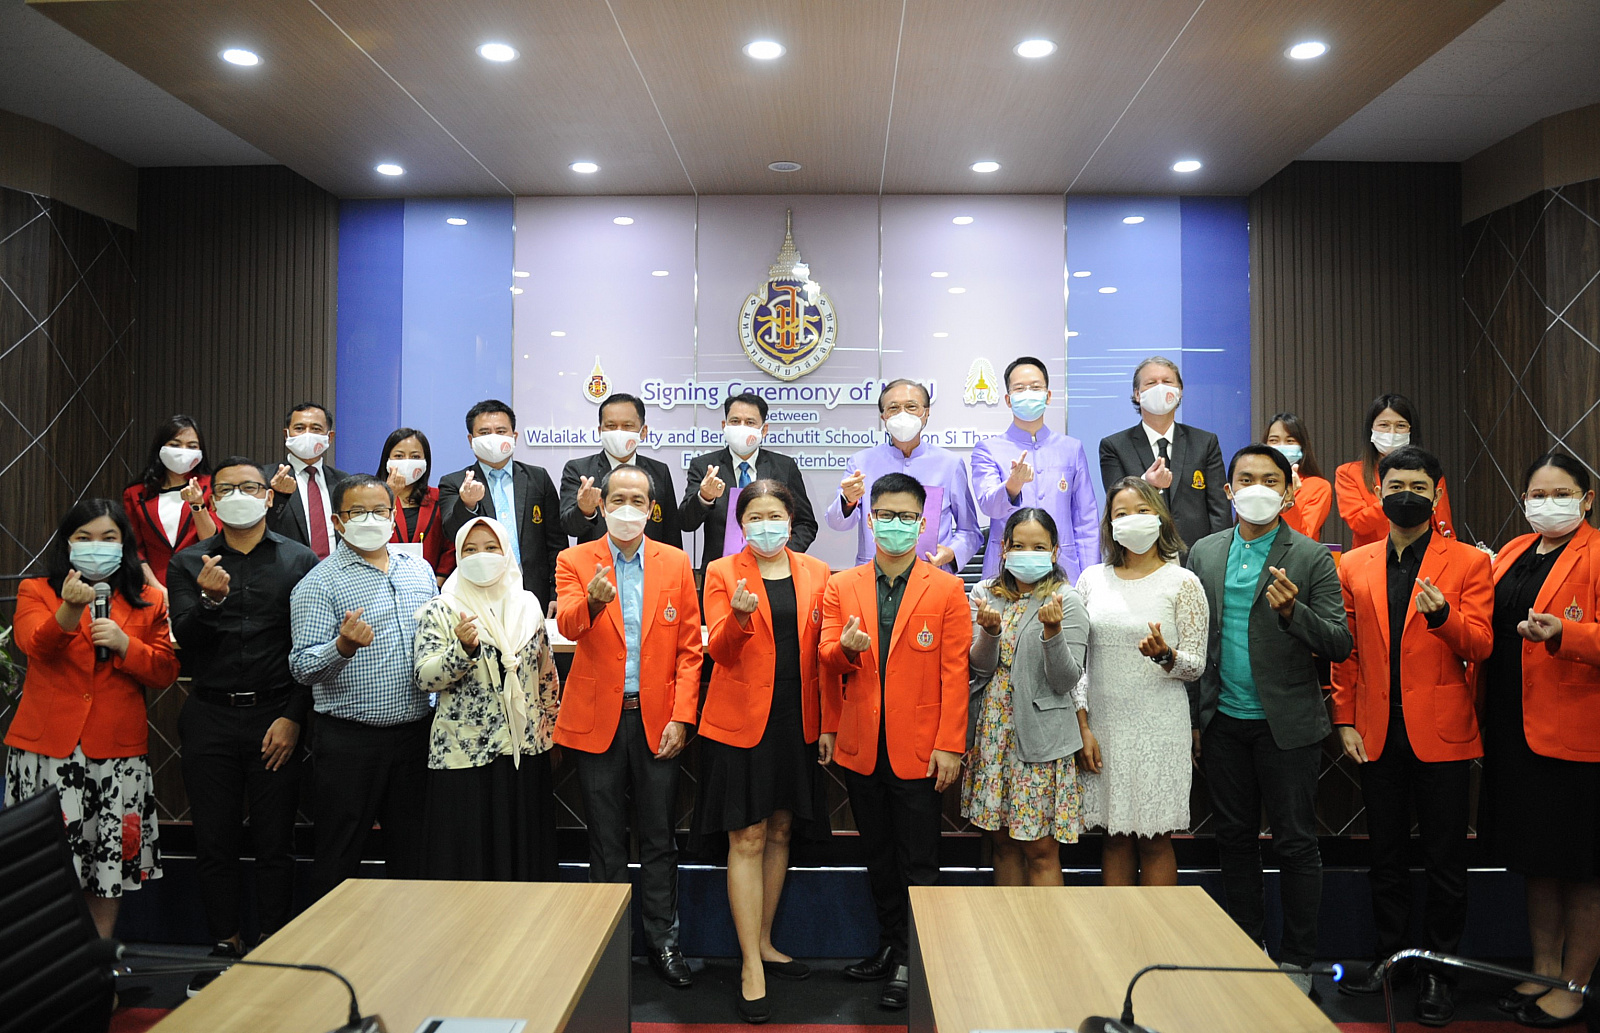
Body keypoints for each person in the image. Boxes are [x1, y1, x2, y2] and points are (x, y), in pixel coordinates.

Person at [1330, 446, 1493, 1023]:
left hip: (1442, 733)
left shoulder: (1469, 562)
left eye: (1419, 487)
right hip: (1376, 731)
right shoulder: (1354, 563)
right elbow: (1346, 653)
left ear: (1437, 493)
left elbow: (1481, 644)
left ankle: (1439, 975)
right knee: (1387, 857)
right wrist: (1344, 717)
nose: (1407, 495)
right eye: (1396, 485)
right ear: (1379, 491)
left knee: (1446, 860)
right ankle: (1390, 961)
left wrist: (1445, 617)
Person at [1187, 445, 1352, 992]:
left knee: (1296, 843)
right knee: (1234, 841)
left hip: (1287, 726)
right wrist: (1195, 718)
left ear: (1288, 492)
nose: (1256, 488)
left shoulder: (1311, 556)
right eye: (1245, 479)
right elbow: (1196, 639)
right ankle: (1247, 951)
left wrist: (1292, 612)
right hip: (1223, 722)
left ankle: (1298, 961)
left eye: (1270, 480)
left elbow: (1339, 642)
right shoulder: (1205, 552)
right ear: (1229, 490)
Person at [166, 458, 319, 993]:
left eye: (249, 487)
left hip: (276, 714)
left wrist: (293, 717)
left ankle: (275, 943)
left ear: (267, 496)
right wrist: (211, 601)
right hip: (209, 714)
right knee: (215, 840)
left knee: (276, 841)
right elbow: (187, 642)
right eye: (226, 488)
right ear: (210, 499)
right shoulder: (189, 561)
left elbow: (308, 647)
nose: (238, 495)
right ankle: (224, 943)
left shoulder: (299, 558)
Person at [820, 472, 971, 1010]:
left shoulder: (947, 588)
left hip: (922, 748)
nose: (896, 525)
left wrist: (950, 744)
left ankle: (915, 957)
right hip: (862, 743)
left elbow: (956, 674)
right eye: (886, 515)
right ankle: (889, 945)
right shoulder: (842, 585)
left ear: (923, 523)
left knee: (918, 860)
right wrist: (846, 649)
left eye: (907, 517)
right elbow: (827, 659)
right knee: (877, 855)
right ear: (870, 519)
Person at [554, 465, 702, 987]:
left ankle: (664, 943)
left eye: (637, 500)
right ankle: (608, 944)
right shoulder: (574, 559)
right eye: (617, 498)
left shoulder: (675, 561)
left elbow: (690, 649)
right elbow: (568, 625)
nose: (626, 508)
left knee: (660, 836)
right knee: (605, 838)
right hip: (598, 720)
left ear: (651, 508)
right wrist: (593, 602)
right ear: (602, 504)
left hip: (658, 719)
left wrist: (683, 716)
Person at [3, 499, 179, 937]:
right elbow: (34, 646)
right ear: (68, 543)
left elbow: (164, 671)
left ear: (124, 544)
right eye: (84, 537)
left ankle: (98, 961)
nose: (96, 546)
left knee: (106, 866)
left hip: (115, 755)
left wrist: (124, 645)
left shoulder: (150, 599)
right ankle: (50, 958)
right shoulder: (36, 590)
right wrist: (68, 609)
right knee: (46, 864)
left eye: (108, 537)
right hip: (47, 751)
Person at [692, 479, 833, 1022]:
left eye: (775, 516)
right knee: (747, 836)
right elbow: (720, 652)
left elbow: (824, 654)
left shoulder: (817, 572)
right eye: (755, 517)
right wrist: (739, 617)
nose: (766, 525)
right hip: (740, 722)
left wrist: (827, 723)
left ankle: (767, 940)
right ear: (741, 524)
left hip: (798, 719)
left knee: (780, 830)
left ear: (791, 521)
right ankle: (750, 963)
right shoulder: (722, 572)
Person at [1476, 452, 1600, 1029]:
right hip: (1514, 729)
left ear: (1587, 499)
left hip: (1576, 735)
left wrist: (1565, 633)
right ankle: (1544, 970)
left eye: (1561, 493)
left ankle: (1574, 985)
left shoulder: (1596, 553)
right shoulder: (1514, 551)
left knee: (1581, 867)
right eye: (1537, 494)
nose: (1548, 504)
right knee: (1537, 861)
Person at [289, 474, 439, 895]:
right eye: (358, 512)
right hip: (349, 743)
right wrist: (341, 648)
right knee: (339, 856)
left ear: (393, 516)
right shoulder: (318, 583)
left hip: (414, 736)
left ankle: (410, 936)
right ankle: (332, 937)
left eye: (379, 511)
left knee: (414, 855)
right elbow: (301, 667)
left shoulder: (419, 570)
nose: (371, 519)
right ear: (338, 521)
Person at [1074, 478, 1207, 887]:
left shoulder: (1183, 582)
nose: (1133, 519)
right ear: (1109, 525)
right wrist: (1083, 726)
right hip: (1104, 727)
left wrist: (1166, 655)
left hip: (1159, 729)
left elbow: (1196, 665)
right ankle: (1116, 930)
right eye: (1121, 513)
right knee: (1113, 838)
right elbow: (1078, 663)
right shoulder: (1091, 579)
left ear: (1160, 517)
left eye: (1143, 511)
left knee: (1154, 839)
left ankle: (1158, 930)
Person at [413, 516, 560, 881]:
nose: (482, 556)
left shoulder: (528, 606)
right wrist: (462, 650)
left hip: (524, 754)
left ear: (506, 552)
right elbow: (425, 678)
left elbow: (546, 676)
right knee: (469, 869)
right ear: (458, 556)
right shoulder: (442, 608)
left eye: (491, 548)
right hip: (464, 759)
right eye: (471, 549)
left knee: (525, 867)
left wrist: (551, 734)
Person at [963, 508, 1090, 886]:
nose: (1027, 554)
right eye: (1018, 546)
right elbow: (980, 668)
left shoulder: (1067, 599)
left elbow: (1066, 680)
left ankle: (1046, 927)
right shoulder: (985, 594)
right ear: (1003, 548)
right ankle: (1010, 925)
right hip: (994, 735)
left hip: (1041, 740)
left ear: (1054, 551)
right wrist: (989, 634)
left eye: (1038, 547)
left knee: (1040, 850)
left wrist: (1053, 632)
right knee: (1002, 845)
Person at [825, 379, 981, 574]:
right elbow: (837, 524)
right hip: (874, 575)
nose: (902, 414)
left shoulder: (949, 464)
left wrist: (950, 553)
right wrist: (848, 500)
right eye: (893, 408)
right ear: (883, 416)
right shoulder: (861, 462)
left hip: (931, 573)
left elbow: (970, 531)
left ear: (926, 412)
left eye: (911, 407)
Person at [969, 357, 1100, 583]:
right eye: (1019, 388)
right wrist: (1012, 486)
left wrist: (1090, 578)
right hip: (1006, 569)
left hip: (1063, 568)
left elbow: (1085, 520)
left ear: (1048, 396)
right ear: (1008, 400)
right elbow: (988, 505)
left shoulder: (1071, 448)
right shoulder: (988, 449)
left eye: (1036, 387)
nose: (1028, 393)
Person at [438, 400, 567, 610]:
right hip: (478, 595)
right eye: (484, 432)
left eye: (500, 431)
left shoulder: (538, 478)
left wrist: (558, 592)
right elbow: (451, 532)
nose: (493, 438)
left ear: (514, 436)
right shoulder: (455, 482)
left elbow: (556, 542)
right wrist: (467, 503)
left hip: (535, 593)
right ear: (471, 440)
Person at [1098, 356, 1229, 552]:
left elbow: (1219, 508)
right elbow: (1117, 503)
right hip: (1139, 553)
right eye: (1151, 383)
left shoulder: (1205, 442)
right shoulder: (1114, 446)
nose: (1160, 388)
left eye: (1167, 381)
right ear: (1137, 394)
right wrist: (1146, 483)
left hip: (1195, 554)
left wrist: (1217, 554)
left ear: (1180, 392)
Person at [680, 392, 819, 569]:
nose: (742, 427)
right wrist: (705, 497)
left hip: (773, 571)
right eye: (735, 421)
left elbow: (806, 524)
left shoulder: (784, 467)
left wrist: (781, 555)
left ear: (764, 429)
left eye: (750, 422)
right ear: (724, 426)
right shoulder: (705, 466)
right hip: (721, 570)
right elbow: (686, 523)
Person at [559, 392, 682, 549]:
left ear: (643, 431)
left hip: (648, 561)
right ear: (600, 431)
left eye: (627, 426)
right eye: (611, 426)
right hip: (596, 562)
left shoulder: (659, 471)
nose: (619, 432)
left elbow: (671, 532)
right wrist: (584, 510)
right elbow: (569, 528)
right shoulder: (579, 470)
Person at [1335, 393, 1456, 549]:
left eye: (1401, 426)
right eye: (1384, 425)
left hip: (1423, 555)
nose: (1392, 433)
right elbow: (1359, 524)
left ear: (1411, 430)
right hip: (1370, 556)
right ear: (1371, 429)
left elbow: (1443, 527)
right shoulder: (1348, 472)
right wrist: (1394, 497)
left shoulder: (1429, 473)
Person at [122, 415, 215, 589]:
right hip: (153, 587)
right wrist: (158, 590)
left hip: (201, 584)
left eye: (192, 446)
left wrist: (197, 505)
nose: (183, 451)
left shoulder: (212, 486)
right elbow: (135, 549)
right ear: (161, 447)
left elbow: (211, 540)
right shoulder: (135, 492)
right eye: (175, 444)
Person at [267, 401, 349, 560]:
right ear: (286, 434)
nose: (307, 434)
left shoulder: (343, 481)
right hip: (287, 571)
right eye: (299, 428)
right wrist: (278, 497)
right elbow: (255, 529)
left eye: (316, 429)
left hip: (336, 571)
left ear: (329, 437)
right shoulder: (265, 477)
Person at [377, 427, 452, 580]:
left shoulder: (438, 497)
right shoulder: (372, 498)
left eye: (415, 456)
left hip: (430, 583)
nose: (407, 462)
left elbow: (450, 546)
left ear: (425, 461)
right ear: (387, 460)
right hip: (381, 582)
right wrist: (389, 495)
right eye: (399, 456)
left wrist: (437, 582)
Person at [1264, 412, 1332, 542]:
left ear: (1302, 446)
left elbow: (1303, 537)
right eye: (1273, 440)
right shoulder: (1255, 483)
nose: (1281, 446)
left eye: (1290, 441)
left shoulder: (1318, 487)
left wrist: (1289, 501)